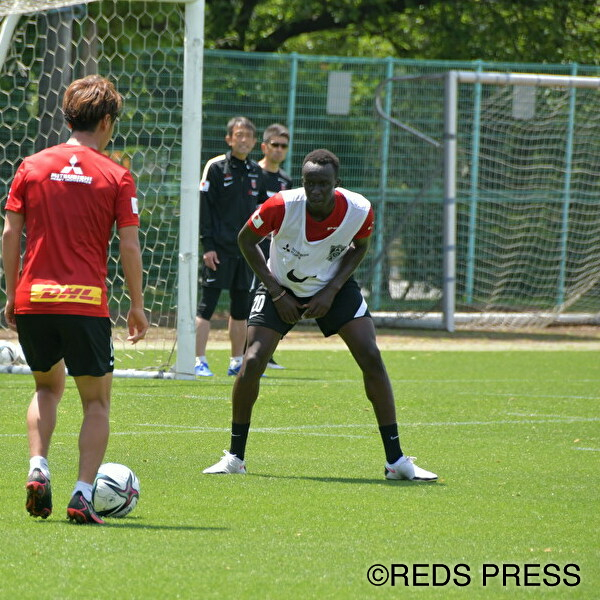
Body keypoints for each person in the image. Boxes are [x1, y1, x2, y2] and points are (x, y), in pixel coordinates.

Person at [203, 149, 437, 481]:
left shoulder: (359, 210)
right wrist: (277, 293)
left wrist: (331, 290)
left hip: (333, 287)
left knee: (370, 355)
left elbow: (360, 247)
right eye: (309, 183)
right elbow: (246, 240)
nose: (315, 190)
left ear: (336, 183)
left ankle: (396, 461)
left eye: (323, 184)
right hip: (280, 286)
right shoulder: (281, 206)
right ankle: (234, 458)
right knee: (252, 360)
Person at [2, 75, 148, 524]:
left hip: (35, 299)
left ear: (69, 117)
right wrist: (137, 305)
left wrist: (11, 293)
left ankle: (38, 467)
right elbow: (129, 245)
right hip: (85, 303)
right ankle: (83, 494)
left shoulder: (31, 166)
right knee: (96, 403)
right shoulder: (117, 175)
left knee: (47, 387)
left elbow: (9, 233)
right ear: (106, 122)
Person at [195, 116, 267, 377]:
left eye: (248, 136)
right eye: (239, 135)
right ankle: (198, 360)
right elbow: (205, 208)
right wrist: (208, 246)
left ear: (255, 141)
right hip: (219, 250)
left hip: (245, 251)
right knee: (207, 306)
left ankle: (237, 361)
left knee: (240, 309)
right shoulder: (215, 167)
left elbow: (261, 210)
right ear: (229, 139)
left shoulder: (257, 172)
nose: (244, 140)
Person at [257, 123, 292, 370]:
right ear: (264, 146)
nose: (279, 149)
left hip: (275, 249)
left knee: (276, 294)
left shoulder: (286, 180)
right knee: (251, 297)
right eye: (275, 144)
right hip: (252, 245)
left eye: (283, 146)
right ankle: (246, 352)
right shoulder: (253, 173)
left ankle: (266, 353)